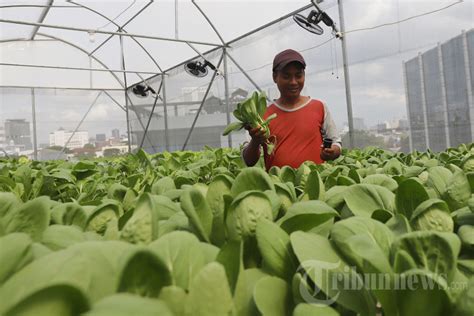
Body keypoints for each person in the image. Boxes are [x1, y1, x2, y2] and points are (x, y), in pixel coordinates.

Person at [242, 49, 341, 170]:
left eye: (298, 76)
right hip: (279, 186)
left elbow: (336, 142)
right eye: (286, 76)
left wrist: (333, 151)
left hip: (314, 186)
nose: (293, 82)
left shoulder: (319, 107)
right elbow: (249, 161)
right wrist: (255, 141)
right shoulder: (262, 115)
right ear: (275, 77)